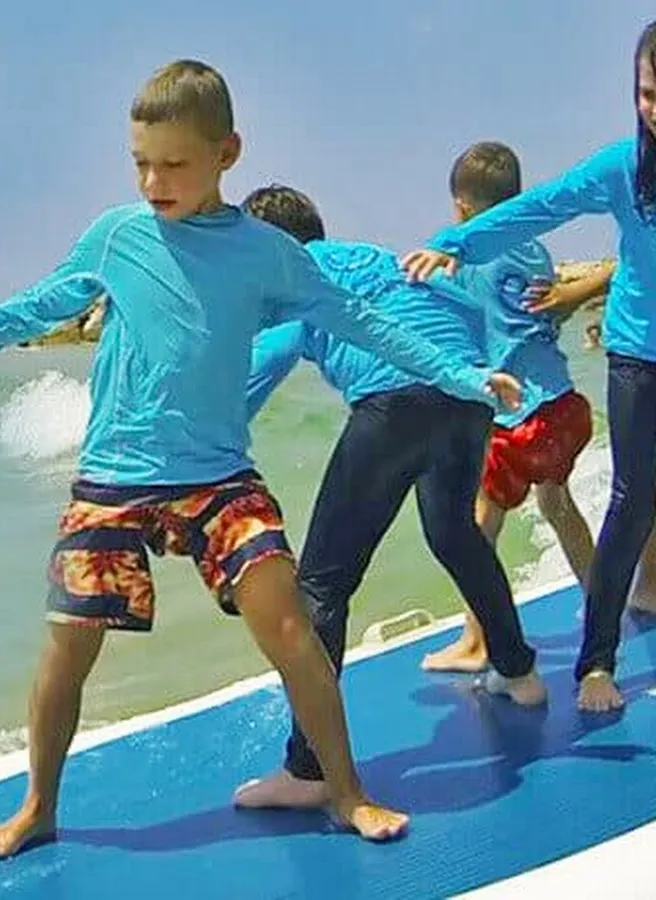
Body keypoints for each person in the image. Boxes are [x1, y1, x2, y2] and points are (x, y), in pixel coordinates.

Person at [0, 59, 522, 858]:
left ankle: (346, 792)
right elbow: (36, 308)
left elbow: (362, 322)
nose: (154, 182)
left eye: (174, 164)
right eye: (141, 162)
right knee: (67, 648)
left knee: (293, 626)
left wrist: (463, 378)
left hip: (218, 479)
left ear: (226, 153)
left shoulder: (265, 253)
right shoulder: (118, 237)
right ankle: (37, 807)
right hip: (114, 477)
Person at [230, 184, 545, 814]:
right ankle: (519, 672)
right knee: (454, 533)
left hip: (395, 404)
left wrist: (204, 444)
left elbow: (262, 365)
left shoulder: (293, 278)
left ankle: (309, 768)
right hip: (467, 400)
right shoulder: (373, 256)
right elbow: (459, 305)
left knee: (321, 584)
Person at [402, 19, 656, 712]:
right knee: (632, 500)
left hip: (567, 391)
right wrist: (457, 242)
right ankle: (596, 664)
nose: (653, 111)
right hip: (638, 355)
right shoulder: (623, 168)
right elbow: (542, 206)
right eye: (645, 94)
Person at [418, 142, 597, 673]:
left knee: (476, 532)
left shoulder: (465, 256)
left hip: (516, 417)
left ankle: (477, 643)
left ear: (461, 207)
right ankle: (599, 604)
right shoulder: (533, 249)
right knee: (558, 506)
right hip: (563, 406)